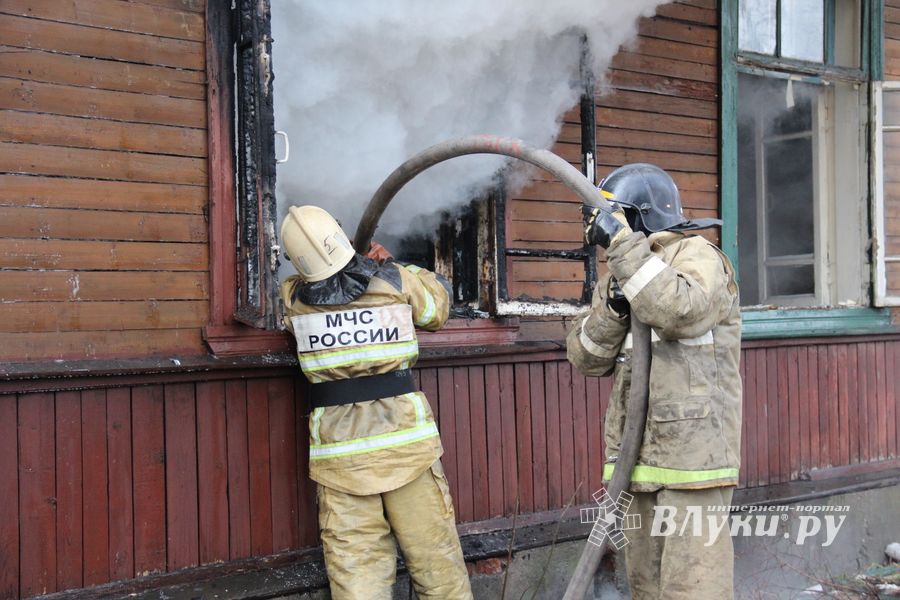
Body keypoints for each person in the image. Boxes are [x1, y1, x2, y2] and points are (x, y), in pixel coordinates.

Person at [279, 205, 473, 600]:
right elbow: (438, 308)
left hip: (340, 460)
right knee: (437, 567)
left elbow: (308, 284)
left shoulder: (294, 300)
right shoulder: (394, 281)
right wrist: (386, 264)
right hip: (407, 452)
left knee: (358, 578)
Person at [567, 164, 742, 600]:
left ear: (641, 215)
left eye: (615, 217)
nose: (604, 229)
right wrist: (614, 306)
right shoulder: (623, 274)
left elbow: (682, 312)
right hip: (637, 464)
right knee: (646, 589)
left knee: (693, 590)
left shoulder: (698, 256)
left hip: (692, 465)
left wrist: (625, 249)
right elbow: (586, 357)